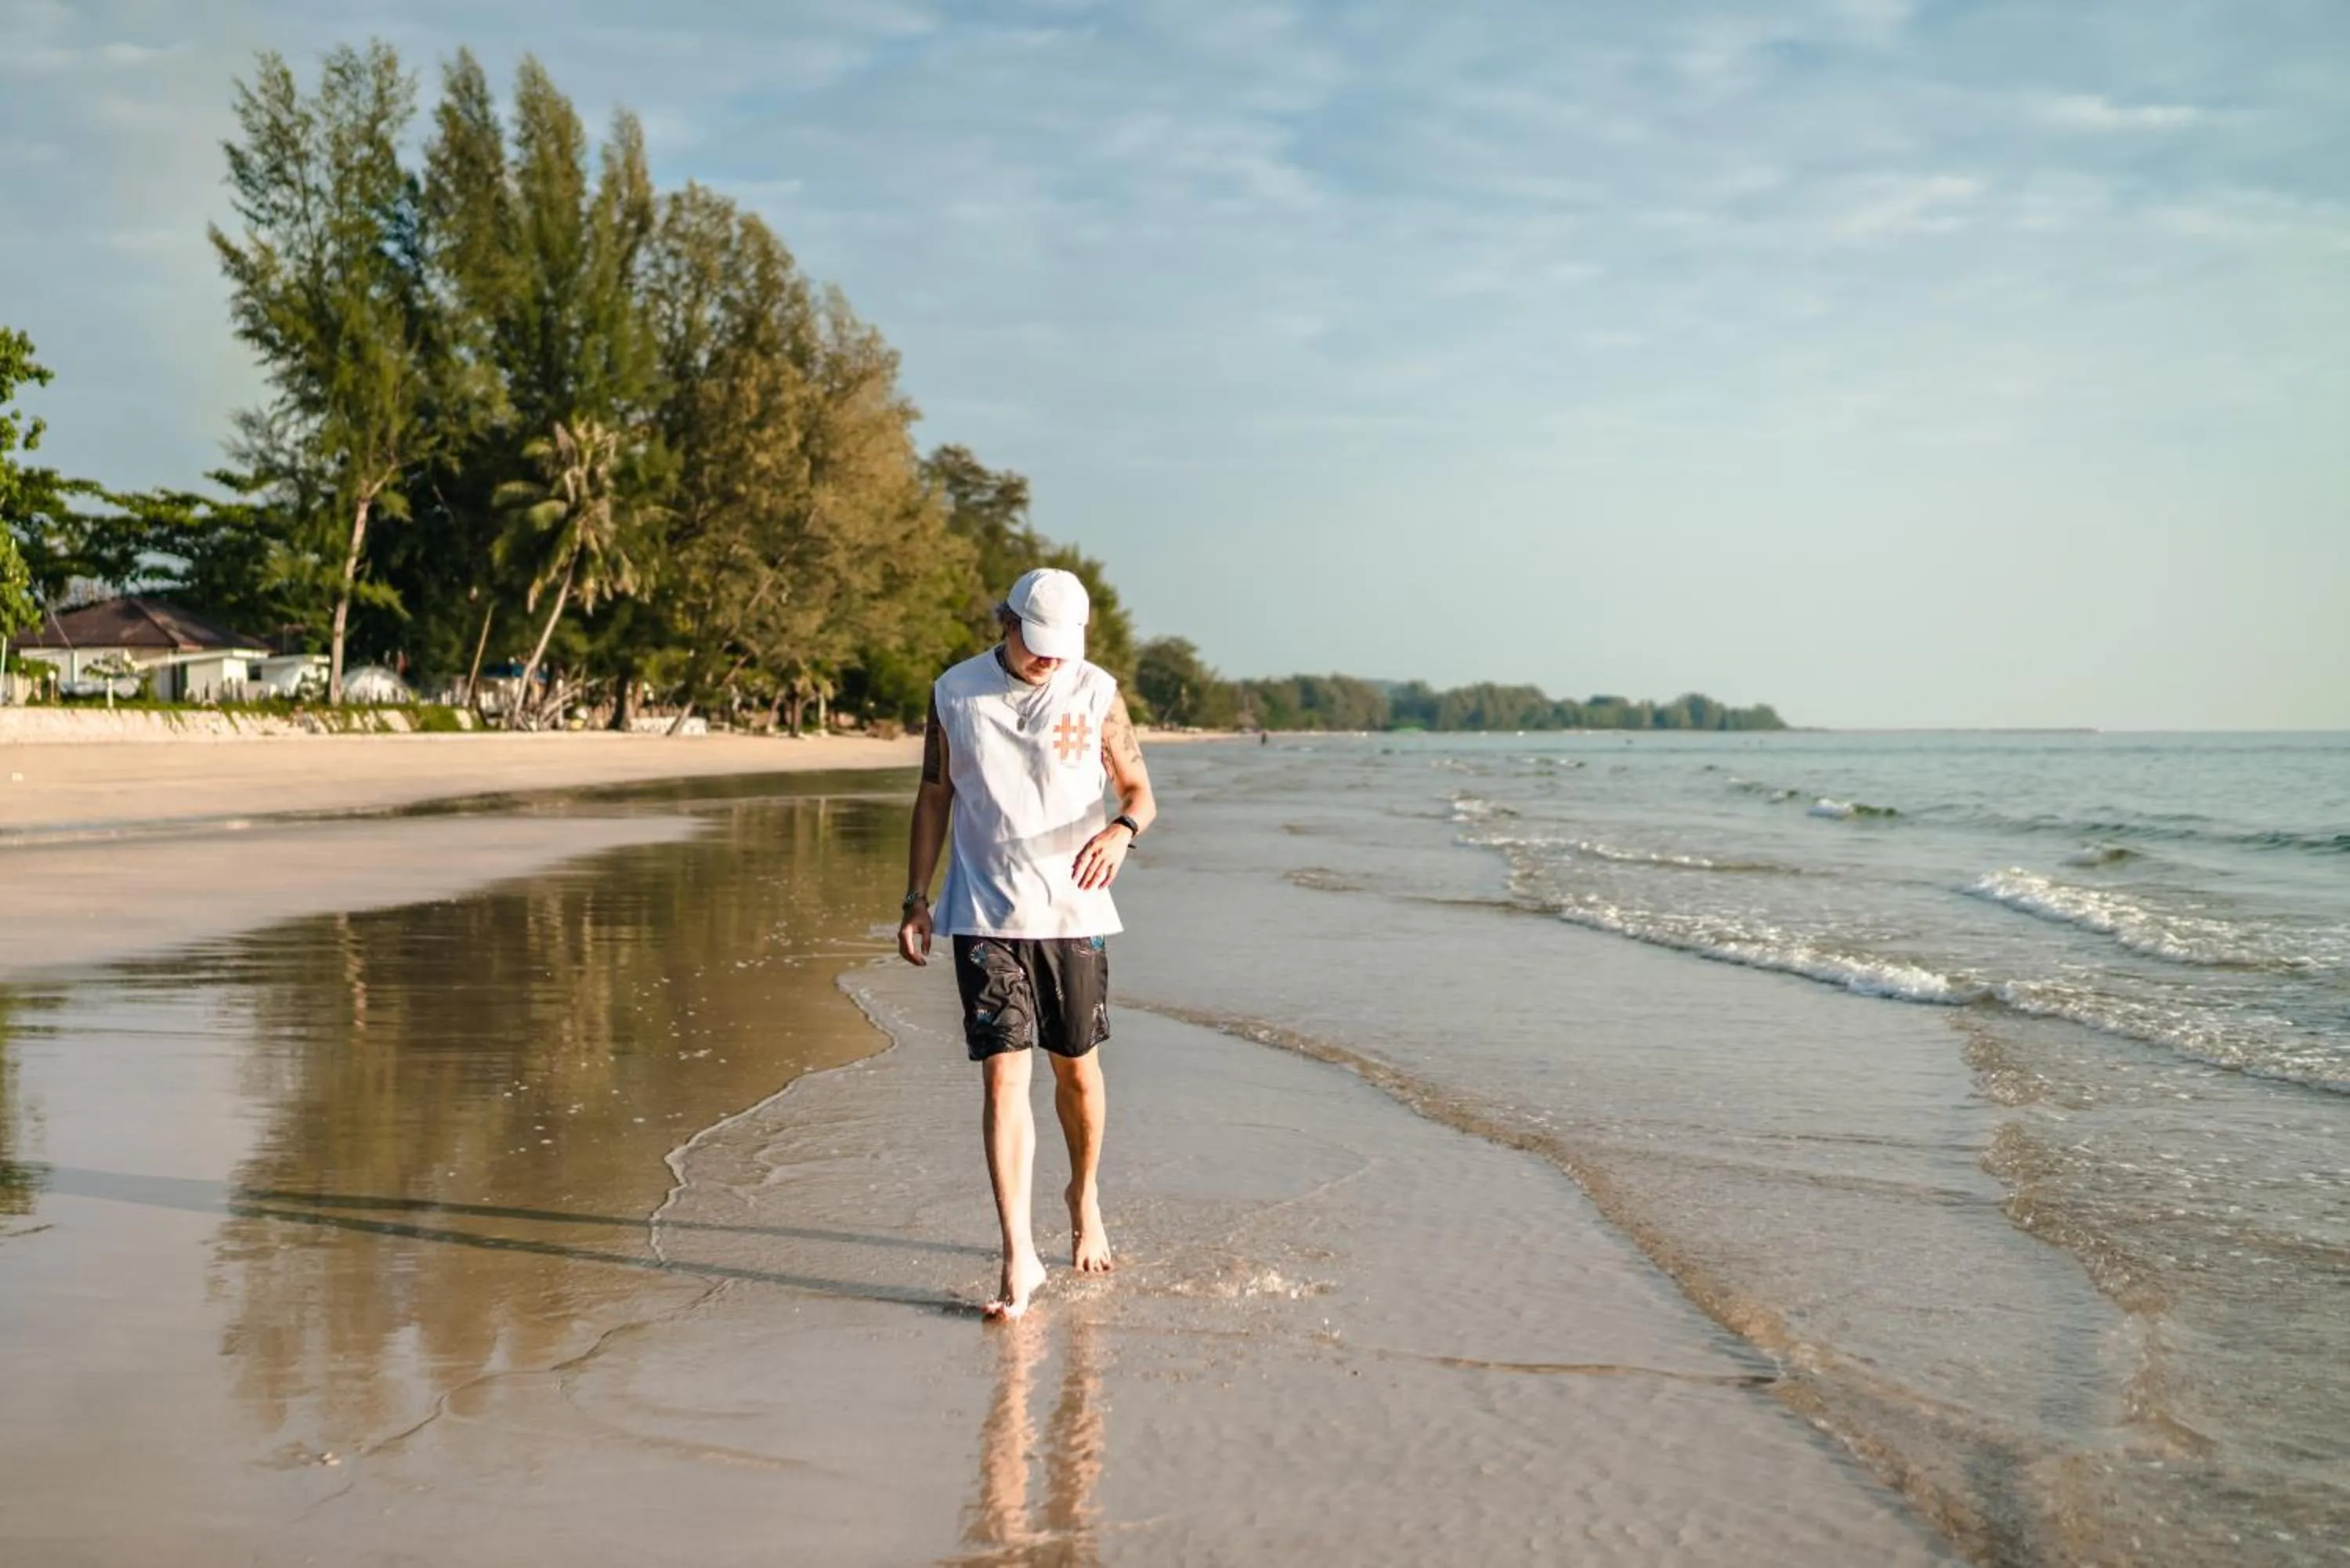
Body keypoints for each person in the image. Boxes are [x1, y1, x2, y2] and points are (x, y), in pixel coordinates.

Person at [898, 567, 1157, 1321]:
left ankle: (1085, 1194)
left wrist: (1122, 830)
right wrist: (917, 898)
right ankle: (1018, 1253)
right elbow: (934, 793)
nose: (1049, 660)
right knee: (1003, 1080)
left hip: (1074, 913)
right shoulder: (954, 691)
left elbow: (1141, 792)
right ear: (1006, 622)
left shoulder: (1096, 690)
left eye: (1061, 647)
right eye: (1036, 643)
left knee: (1076, 1072)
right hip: (984, 911)